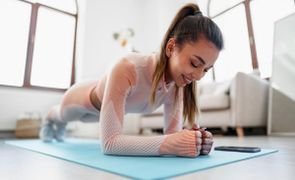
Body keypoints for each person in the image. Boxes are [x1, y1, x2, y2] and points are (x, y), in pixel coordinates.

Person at [39, 3, 224, 158]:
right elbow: (110, 144)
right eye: (194, 63)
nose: (198, 76)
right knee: (62, 116)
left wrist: (196, 141)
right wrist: (171, 143)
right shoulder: (126, 67)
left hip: (105, 110)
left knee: (82, 121)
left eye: (206, 70)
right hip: (82, 99)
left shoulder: (178, 84)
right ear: (171, 47)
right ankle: (50, 118)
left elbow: (172, 136)